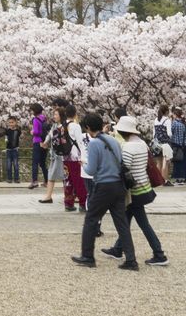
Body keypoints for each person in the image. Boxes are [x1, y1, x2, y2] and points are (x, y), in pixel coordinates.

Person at [71, 112, 136, 269]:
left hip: (104, 186)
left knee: (91, 219)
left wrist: (83, 164)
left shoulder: (94, 143)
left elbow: (92, 170)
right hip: (118, 185)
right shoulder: (112, 140)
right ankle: (131, 260)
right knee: (121, 223)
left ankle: (87, 256)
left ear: (87, 127)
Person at [102, 115, 168, 266]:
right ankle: (118, 248)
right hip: (144, 186)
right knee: (126, 220)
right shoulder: (142, 144)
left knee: (142, 223)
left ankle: (159, 253)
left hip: (134, 191)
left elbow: (124, 169)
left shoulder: (128, 147)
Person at [63, 103, 86, 211]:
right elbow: (80, 142)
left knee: (68, 180)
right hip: (75, 157)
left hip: (65, 157)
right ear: (75, 113)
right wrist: (83, 156)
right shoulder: (75, 126)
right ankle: (82, 203)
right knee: (78, 180)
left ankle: (68, 203)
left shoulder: (61, 126)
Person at [40, 107, 65, 205]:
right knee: (52, 174)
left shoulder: (64, 126)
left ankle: (68, 195)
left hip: (62, 154)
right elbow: (50, 135)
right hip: (54, 154)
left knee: (64, 176)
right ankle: (48, 196)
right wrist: (45, 142)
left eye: (56, 114)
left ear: (61, 116)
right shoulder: (54, 125)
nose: (54, 116)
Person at [29, 103, 48, 190]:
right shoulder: (44, 118)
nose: (31, 112)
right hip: (44, 142)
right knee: (43, 163)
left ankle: (34, 181)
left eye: (32, 110)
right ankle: (47, 181)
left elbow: (36, 132)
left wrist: (32, 131)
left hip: (37, 142)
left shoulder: (35, 119)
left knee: (35, 162)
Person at [170, 108, 186, 184]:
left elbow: (170, 133)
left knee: (178, 162)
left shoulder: (174, 123)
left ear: (175, 115)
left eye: (173, 114)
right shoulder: (184, 122)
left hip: (178, 145)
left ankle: (178, 179)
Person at [154, 104, 174, 184]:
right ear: (166, 111)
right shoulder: (167, 120)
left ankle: (158, 180)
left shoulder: (156, 120)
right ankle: (164, 180)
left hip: (157, 143)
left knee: (158, 162)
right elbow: (169, 133)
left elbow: (154, 133)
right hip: (165, 143)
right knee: (165, 162)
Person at [2, 115, 22, 184]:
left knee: (16, 164)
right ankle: (9, 178)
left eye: (12, 122)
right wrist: (6, 140)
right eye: (9, 122)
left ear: (15, 122)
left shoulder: (18, 131)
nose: (11, 124)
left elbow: (20, 137)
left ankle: (17, 178)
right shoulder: (7, 131)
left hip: (15, 150)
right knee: (8, 164)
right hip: (8, 150)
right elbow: (6, 137)